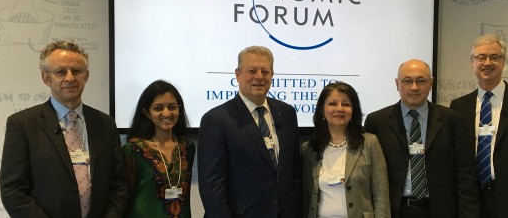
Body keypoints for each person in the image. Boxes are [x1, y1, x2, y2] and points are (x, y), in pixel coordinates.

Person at [0, 40, 128, 218]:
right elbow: (13, 191)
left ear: (86, 76)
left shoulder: (105, 124)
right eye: (61, 72)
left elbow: (119, 184)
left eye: (76, 71)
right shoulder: (22, 124)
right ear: (46, 78)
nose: (70, 78)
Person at [364, 59, 479, 218]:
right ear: (397, 84)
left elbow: (465, 174)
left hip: (439, 211)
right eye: (407, 81)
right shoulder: (377, 121)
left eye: (421, 81)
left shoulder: (451, 120)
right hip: (395, 210)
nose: (414, 87)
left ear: (431, 83)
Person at [449, 34, 508, 218]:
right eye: (481, 57)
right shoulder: (458, 107)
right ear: (472, 63)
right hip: (471, 204)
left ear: (503, 62)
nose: (487, 62)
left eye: (494, 57)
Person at [198, 45, 302, 218]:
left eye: (265, 71)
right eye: (252, 71)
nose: (259, 77)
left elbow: (294, 173)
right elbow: (212, 187)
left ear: (272, 75)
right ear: (238, 75)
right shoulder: (216, 119)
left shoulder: (287, 113)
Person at [302, 81, 390, 218]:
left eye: (346, 104)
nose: (339, 109)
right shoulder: (309, 149)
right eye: (332, 103)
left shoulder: (370, 143)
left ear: (353, 111)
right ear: (322, 110)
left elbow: (381, 197)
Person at [122, 80, 195, 218]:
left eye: (172, 107)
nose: (167, 113)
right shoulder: (133, 149)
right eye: (158, 108)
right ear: (147, 113)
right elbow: (123, 196)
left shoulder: (187, 147)